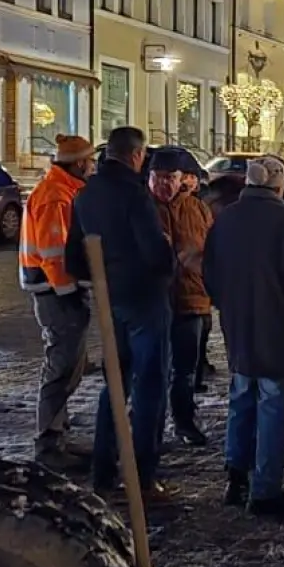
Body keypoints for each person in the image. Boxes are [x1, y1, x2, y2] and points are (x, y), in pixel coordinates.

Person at [203, 157, 284, 520]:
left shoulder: (227, 219)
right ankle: (265, 492)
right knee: (271, 404)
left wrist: (228, 306)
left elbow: (211, 272)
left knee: (241, 395)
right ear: (279, 184)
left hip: (238, 325)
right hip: (277, 328)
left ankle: (235, 476)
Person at [64, 126, 175, 502]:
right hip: (144, 298)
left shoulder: (84, 195)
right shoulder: (134, 195)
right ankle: (143, 475)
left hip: (110, 299)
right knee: (149, 385)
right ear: (136, 155)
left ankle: (103, 472)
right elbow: (155, 255)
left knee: (115, 381)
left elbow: (73, 259)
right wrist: (168, 253)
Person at [19, 134, 97, 470]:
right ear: (79, 163)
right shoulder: (55, 196)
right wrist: (70, 292)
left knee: (69, 365)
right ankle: (48, 445)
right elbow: (53, 253)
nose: (93, 167)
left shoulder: (63, 190)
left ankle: (57, 433)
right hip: (54, 294)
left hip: (56, 291)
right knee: (60, 367)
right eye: (91, 161)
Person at [148, 151, 214, 447]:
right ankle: (150, 427)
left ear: (182, 179)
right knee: (151, 370)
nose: (165, 184)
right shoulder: (143, 208)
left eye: (170, 178)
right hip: (152, 304)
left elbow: (212, 249)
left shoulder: (198, 209)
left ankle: (184, 422)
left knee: (186, 370)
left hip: (192, 300)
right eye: (158, 178)